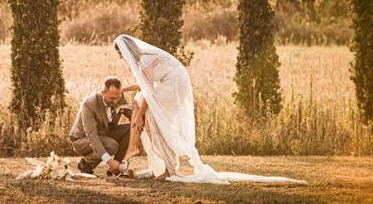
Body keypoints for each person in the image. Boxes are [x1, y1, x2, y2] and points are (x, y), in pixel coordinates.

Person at [112, 33, 306, 185]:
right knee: (143, 107)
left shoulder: (145, 60)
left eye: (121, 54)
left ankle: (163, 166)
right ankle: (152, 161)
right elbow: (144, 87)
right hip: (168, 83)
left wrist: (140, 116)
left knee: (154, 117)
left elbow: (149, 91)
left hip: (174, 83)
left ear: (127, 51)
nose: (121, 58)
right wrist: (124, 91)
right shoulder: (142, 59)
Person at [68, 76, 133, 175]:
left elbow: (132, 115)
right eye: (112, 98)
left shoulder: (118, 97)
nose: (116, 102)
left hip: (104, 133)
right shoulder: (89, 104)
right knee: (112, 145)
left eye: (118, 97)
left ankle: (116, 169)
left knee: (131, 128)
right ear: (103, 93)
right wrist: (109, 161)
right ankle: (85, 163)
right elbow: (91, 137)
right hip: (82, 140)